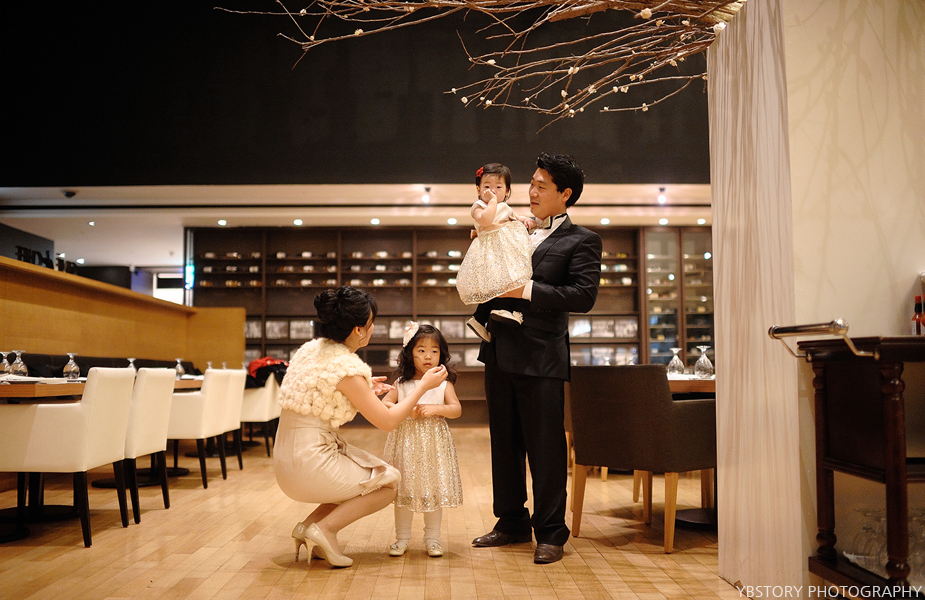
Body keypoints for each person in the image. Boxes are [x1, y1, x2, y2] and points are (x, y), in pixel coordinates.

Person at [471, 153, 602, 564]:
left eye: (542, 186)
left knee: (545, 450)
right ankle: (510, 522)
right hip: (499, 349)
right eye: (531, 183)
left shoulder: (582, 240)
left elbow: (583, 296)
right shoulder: (511, 227)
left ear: (565, 194)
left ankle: (551, 532)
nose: (531, 191)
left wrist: (524, 291)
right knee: (504, 444)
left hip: (542, 356)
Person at [274, 286, 448, 568]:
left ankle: (307, 528)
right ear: (358, 330)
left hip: (284, 459)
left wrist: (364, 390)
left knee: (361, 480)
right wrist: (422, 387)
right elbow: (388, 422)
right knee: (387, 484)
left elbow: (321, 389)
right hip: (310, 463)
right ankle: (325, 530)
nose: (372, 328)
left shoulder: (310, 350)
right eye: (370, 323)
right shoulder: (347, 368)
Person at [380, 322, 463, 558]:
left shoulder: (444, 383)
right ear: (410, 353)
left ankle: (433, 539)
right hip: (405, 443)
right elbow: (386, 403)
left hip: (434, 444)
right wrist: (406, 411)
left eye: (434, 351)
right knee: (403, 490)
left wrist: (437, 409)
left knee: (433, 490)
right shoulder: (401, 382)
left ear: (441, 354)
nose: (428, 356)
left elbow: (456, 409)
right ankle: (402, 538)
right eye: (422, 350)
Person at [455, 162, 538, 343]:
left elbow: (514, 217)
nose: (492, 191)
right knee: (500, 284)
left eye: (498, 187)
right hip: (490, 251)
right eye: (487, 187)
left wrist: (525, 220)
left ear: (507, 191)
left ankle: (481, 318)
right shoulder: (478, 206)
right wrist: (492, 201)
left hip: (506, 250)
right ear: (478, 190)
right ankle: (499, 311)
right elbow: (486, 220)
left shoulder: (505, 207)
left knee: (510, 281)